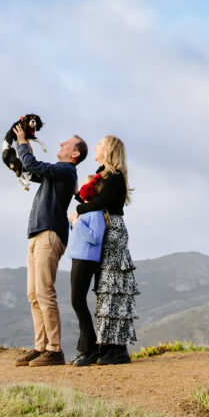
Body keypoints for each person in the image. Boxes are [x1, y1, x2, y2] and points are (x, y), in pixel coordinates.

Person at [13, 124, 88, 367]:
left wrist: (23, 143)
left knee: (44, 292)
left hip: (49, 234)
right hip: (37, 233)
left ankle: (54, 349)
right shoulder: (59, 171)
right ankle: (41, 346)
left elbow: (35, 166)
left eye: (66, 143)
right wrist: (26, 150)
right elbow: (32, 168)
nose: (60, 145)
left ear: (74, 154)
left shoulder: (67, 170)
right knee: (33, 295)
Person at [71, 134, 138, 365]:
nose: (96, 147)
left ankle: (116, 349)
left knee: (112, 287)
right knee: (105, 288)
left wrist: (80, 209)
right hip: (106, 231)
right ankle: (108, 345)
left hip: (113, 232)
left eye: (99, 144)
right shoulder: (104, 175)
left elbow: (102, 202)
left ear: (108, 149)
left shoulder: (115, 176)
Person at [67, 175, 106, 366]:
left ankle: (88, 348)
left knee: (78, 301)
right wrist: (73, 222)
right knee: (77, 302)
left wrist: (77, 223)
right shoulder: (86, 212)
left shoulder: (96, 213)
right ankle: (86, 348)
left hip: (86, 259)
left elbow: (94, 237)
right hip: (78, 257)